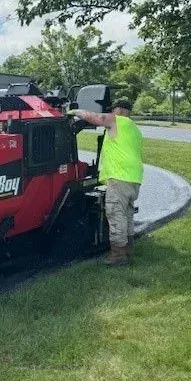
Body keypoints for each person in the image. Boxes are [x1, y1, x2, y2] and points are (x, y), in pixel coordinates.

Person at [68, 98, 143, 266]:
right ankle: (128, 249)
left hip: (120, 178)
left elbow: (98, 118)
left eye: (112, 110)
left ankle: (118, 255)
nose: (110, 114)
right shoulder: (134, 129)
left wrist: (75, 112)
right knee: (127, 214)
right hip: (134, 178)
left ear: (120, 110)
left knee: (116, 214)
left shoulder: (118, 121)